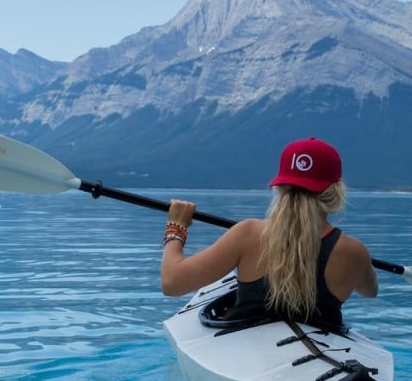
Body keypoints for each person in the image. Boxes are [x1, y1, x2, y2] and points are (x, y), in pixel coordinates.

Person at [160, 137, 378, 329]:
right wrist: (361, 263)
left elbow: (172, 283)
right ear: (336, 191)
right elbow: (370, 291)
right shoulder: (353, 251)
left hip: (246, 350)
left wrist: (176, 227)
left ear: (279, 187)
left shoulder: (248, 234)